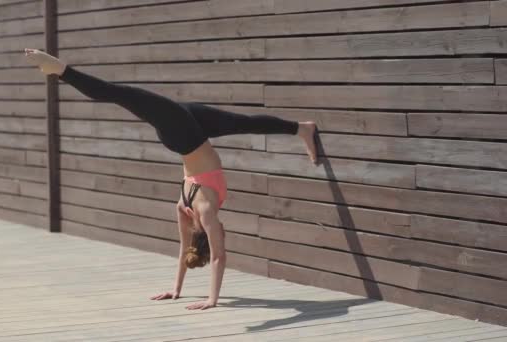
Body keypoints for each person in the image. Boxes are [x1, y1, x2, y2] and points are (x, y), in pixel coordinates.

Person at [25, 48, 318, 310]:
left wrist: (176, 289)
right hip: (185, 135)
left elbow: (183, 250)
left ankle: (302, 129)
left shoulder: (185, 208)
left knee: (244, 124)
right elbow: (219, 258)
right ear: (201, 230)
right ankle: (60, 70)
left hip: (188, 133)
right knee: (121, 95)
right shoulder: (204, 211)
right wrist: (213, 300)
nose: (222, 232)